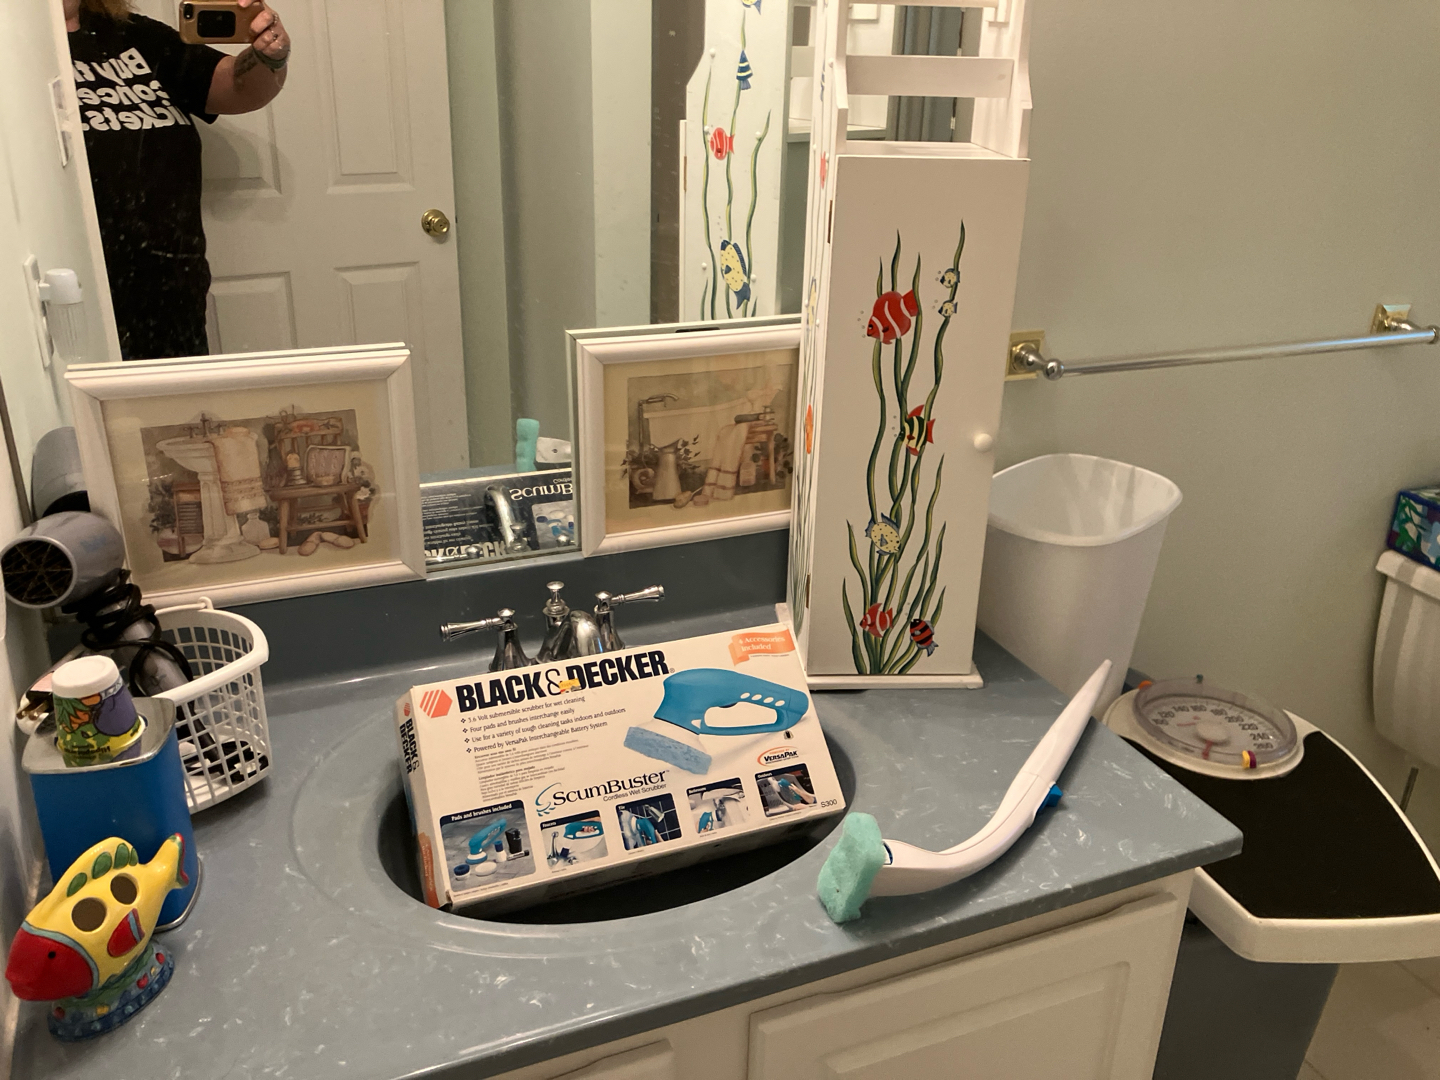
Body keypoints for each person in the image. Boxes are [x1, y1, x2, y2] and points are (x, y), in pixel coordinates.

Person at [64, 0, 291, 360]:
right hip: (70, 301)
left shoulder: (134, 35)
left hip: (171, 295)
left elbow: (236, 86)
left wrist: (269, 55)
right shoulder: (19, 55)